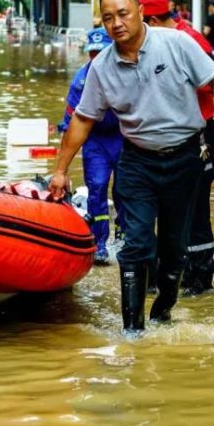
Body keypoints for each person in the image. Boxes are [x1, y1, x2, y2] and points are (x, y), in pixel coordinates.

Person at [48, 0, 214, 335]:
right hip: (136, 160)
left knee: (174, 248)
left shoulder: (175, 44)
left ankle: (162, 312)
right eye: (107, 17)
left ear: (138, 11)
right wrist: (60, 170)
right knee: (135, 245)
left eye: (122, 13)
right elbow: (83, 119)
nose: (116, 23)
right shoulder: (101, 67)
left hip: (184, 157)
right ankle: (132, 331)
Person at [139, 0, 214, 296]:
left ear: (151, 20)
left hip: (195, 136)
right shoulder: (161, 42)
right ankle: (172, 271)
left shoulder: (188, 42)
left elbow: (211, 83)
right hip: (167, 138)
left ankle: (199, 277)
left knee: (195, 209)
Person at [58, 27, 125, 265]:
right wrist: (61, 170)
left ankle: (125, 234)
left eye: (101, 52)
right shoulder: (81, 81)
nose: (96, 57)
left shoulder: (126, 73)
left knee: (126, 189)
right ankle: (99, 243)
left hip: (124, 136)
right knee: (96, 188)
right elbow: (69, 123)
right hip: (95, 140)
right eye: (92, 52)